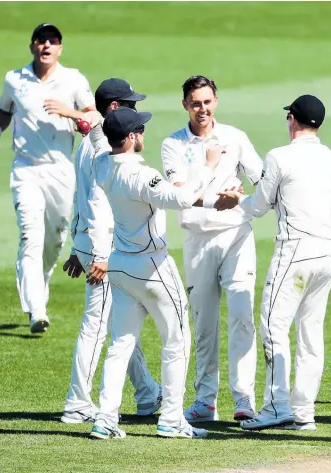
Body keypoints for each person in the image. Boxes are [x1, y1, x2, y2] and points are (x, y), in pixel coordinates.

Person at [89, 107, 221, 440]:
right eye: (140, 130)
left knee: (120, 344)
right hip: (151, 266)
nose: (144, 134)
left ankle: (105, 419)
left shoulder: (102, 165)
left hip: (119, 264)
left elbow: (98, 138)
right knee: (177, 341)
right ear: (131, 137)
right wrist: (208, 165)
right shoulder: (140, 174)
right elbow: (181, 199)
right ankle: (172, 419)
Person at [216, 95, 331, 431]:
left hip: (295, 252)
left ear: (292, 119)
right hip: (327, 253)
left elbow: (259, 205)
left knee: (273, 328)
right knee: (311, 333)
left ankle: (276, 407)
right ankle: (304, 412)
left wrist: (234, 199)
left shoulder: (280, 157)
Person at [161, 75, 263, 423]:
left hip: (236, 236)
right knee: (203, 322)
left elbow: (262, 181)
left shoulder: (235, 137)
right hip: (198, 240)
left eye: (206, 101)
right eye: (194, 102)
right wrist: (208, 172)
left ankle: (244, 398)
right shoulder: (173, 144)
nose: (201, 108)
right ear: (185, 104)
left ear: (216, 101)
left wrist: (241, 201)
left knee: (241, 314)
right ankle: (205, 400)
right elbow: (180, 197)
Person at [0, 23, 96, 333]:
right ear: (32, 46)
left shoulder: (73, 80)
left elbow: (96, 117)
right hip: (25, 169)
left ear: (60, 48)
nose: (46, 45)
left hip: (60, 169)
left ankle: (41, 281)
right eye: (41, 40)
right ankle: (37, 309)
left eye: (53, 41)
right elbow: (4, 111)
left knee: (57, 236)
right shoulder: (15, 79)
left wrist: (68, 113)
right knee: (30, 237)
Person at [60, 79, 161, 424]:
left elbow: (80, 196)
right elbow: (95, 202)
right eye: (130, 104)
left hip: (91, 243)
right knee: (97, 326)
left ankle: (147, 392)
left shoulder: (89, 142)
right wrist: (96, 252)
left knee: (122, 321)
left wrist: (77, 245)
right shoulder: (104, 146)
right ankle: (77, 403)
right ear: (115, 107)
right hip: (105, 249)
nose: (135, 110)